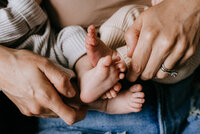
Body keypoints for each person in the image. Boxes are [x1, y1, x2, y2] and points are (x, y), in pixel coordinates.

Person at [37, 0, 200, 133]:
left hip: (187, 91)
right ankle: (101, 79)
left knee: (132, 19)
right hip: (85, 117)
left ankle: (108, 64)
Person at [0, 0, 147, 124]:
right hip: (38, 62)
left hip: (55, 40)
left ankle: (89, 77)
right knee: (55, 89)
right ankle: (105, 103)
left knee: (73, 34)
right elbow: (14, 23)